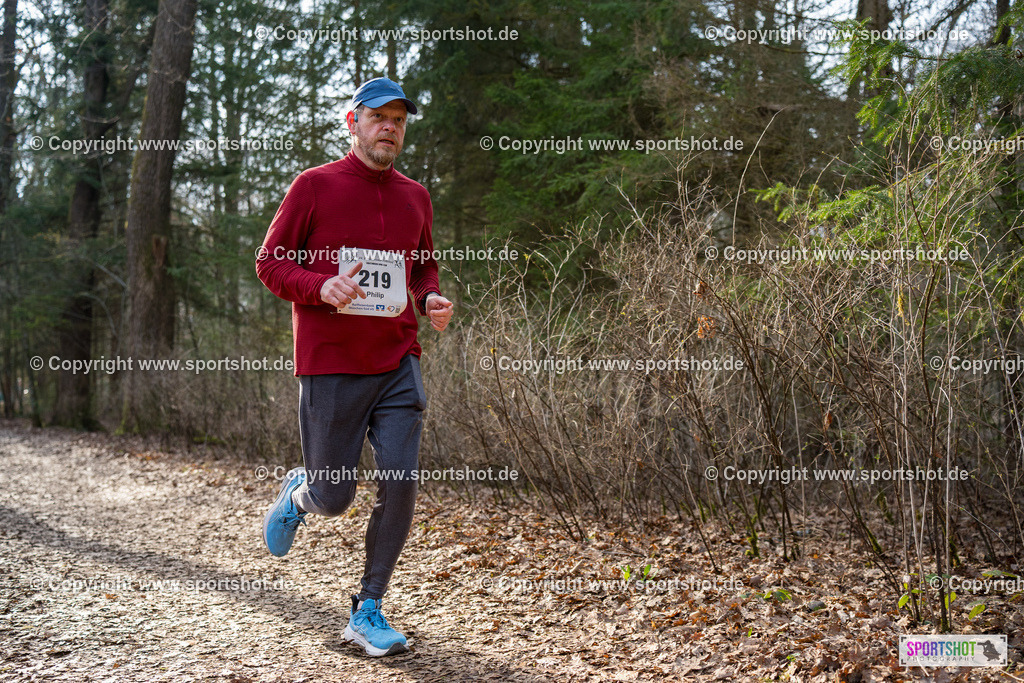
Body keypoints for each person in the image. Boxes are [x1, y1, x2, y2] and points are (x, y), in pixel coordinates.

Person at [255, 77, 454, 657]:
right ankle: (300, 496)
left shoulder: (416, 196)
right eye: (378, 117)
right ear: (353, 121)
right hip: (332, 365)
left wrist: (430, 300)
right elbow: (270, 264)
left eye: (398, 119)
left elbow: (423, 270)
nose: (389, 127)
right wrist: (320, 287)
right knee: (334, 497)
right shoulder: (313, 186)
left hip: (397, 360)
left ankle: (368, 608)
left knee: (399, 481)